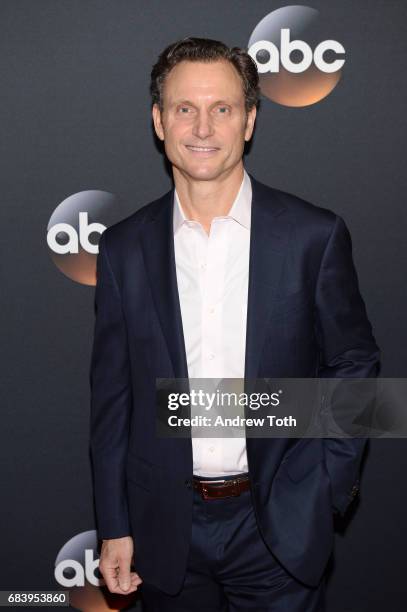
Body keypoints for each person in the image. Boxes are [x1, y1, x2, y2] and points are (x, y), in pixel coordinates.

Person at [89, 37, 380, 611]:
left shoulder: (311, 236)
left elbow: (354, 363)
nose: (202, 127)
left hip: (277, 524)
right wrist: (114, 521)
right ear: (159, 120)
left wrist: (325, 487)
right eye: (184, 109)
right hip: (163, 528)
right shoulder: (124, 248)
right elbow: (112, 396)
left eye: (221, 109)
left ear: (248, 120)